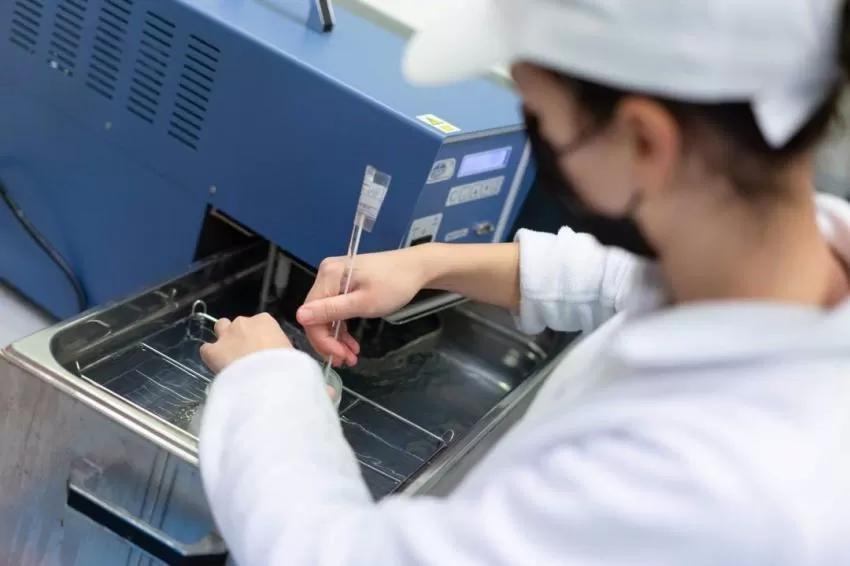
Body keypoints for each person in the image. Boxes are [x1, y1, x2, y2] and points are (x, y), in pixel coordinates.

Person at [198, 0, 850, 563]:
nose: (542, 139)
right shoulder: (792, 252)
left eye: (540, 115)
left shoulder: (705, 486)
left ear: (645, 142)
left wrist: (265, 384)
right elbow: (621, 278)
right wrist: (430, 263)